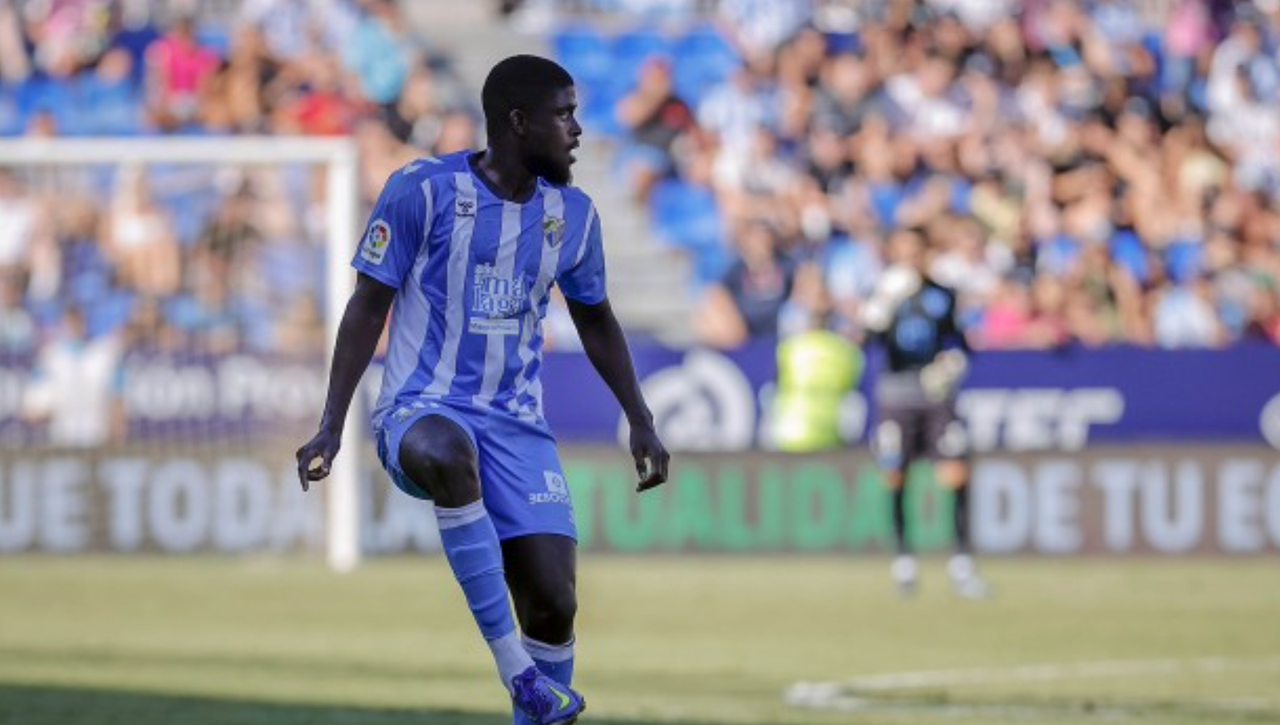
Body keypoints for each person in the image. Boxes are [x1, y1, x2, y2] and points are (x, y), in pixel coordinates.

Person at [295, 55, 669, 725]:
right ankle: (516, 674)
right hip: (420, 409)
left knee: (554, 602)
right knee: (447, 451)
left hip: (518, 427)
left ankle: (537, 699)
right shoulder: (422, 191)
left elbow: (597, 320)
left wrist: (640, 418)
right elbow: (365, 307)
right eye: (563, 115)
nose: (578, 130)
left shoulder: (574, 217)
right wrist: (331, 422)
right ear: (518, 123)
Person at [862, 228, 987, 599]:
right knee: (895, 475)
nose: (909, 258)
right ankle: (904, 562)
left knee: (955, 473)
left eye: (915, 251)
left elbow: (958, 343)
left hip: (936, 396)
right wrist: (882, 305)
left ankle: (961, 564)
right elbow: (870, 341)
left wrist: (951, 364)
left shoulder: (941, 294)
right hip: (896, 395)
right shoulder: (886, 293)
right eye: (902, 251)